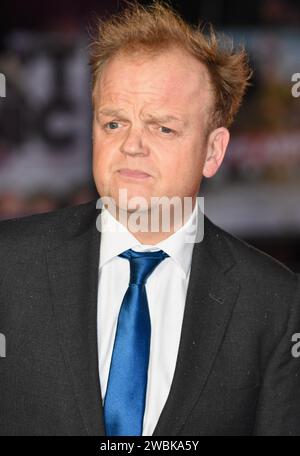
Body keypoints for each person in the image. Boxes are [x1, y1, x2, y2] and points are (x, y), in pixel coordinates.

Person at [0, 1, 300, 436]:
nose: (132, 146)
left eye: (163, 128)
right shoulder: (9, 267)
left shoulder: (276, 305)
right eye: (114, 123)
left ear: (214, 151)